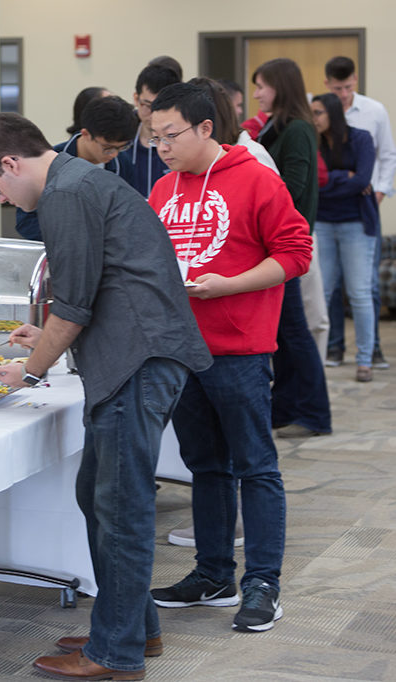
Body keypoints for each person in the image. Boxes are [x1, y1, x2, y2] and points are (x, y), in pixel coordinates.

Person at [0, 112, 211, 680]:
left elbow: (74, 305)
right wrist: (45, 339)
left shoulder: (67, 192)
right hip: (133, 353)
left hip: (139, 358)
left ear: (10, 163)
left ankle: (115, 653)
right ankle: (132, 624)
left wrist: (28, 369)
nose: (0, 195)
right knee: (96, 495)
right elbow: (95, 290)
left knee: (120, 508)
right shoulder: (77, 182)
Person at [146, 83, 312, 634]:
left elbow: (294, 253)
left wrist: (231, 286)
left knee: (256, 467)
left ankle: (263, 584)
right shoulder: (164, 189)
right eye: (155, 137)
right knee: (205, 467)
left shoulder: (257, 178)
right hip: (182, 350)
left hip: (239, 348)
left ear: (205, 128)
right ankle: (212, 574)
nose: (162, 147)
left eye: (171, 136)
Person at [253, 58, 332, 439]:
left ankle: (314, 413)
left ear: (280, 87)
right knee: (284, 333)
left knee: (295, 331)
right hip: (276, 244)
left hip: (287, 244)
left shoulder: (298, 128)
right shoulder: (275, 126)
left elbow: (294, 188)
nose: (257, 94)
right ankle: (285, 409)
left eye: (262, 87)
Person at [323, 56, 396, 370]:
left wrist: (377, 191)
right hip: (327, 215)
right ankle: (335, 348)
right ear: (327, 83)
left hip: (364, 210)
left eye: (348, 87)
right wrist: (348, 180)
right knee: (331, 286)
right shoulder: (319, 110)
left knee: (366, 287)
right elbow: (318, 177)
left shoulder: (373, 111)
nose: (343, 93)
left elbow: (387, 156)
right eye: (337, 87)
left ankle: (372, 351)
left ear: (356, 80)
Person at [312, 92, 379, 382]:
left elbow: (364, 180)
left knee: (360, 294)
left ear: (333, 115)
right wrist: (344, 179)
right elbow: (313, 183)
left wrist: (333, 182)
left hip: (356, 224)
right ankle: (323, 354)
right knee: (323, 292)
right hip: (323, 223)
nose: (313, 119)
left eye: (318, 113)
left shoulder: (360, 138)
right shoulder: (313, 141)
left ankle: (365, 360)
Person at [15, 95, 137, 239]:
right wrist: (71, 239)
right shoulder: (51, 162)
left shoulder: (123, 163)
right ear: (85, 134)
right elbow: (26, 222)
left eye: (122, 147)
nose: (114, 154)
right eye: (108, 148)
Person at [130, 64, 181, 197]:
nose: (153, 114)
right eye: (147, 105)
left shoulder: (182, 145)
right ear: (136, 99)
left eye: (160, 106)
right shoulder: (121, 143)